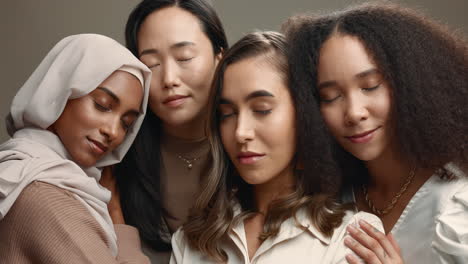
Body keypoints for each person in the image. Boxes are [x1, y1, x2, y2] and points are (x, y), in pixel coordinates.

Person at [170, 31, 384, 263]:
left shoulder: (352, 237)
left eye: (261, 109)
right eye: (227, 114)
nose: (241, 132)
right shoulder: (191, 240)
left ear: (304, 117)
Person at [284, 3, 468, 263]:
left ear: (411, 82)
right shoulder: (326, 202)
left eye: (370, 86)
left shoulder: (455, 207)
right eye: (330, 97)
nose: (354, 112)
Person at [0, 34, 152, 263]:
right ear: (60, 92)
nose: (113, 131)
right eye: (102, 105)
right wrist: (116, 215)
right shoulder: (46, 194)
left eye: (126, 123)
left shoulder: (25, 171)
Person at [108, 0, 228, 262]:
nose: (170, 78)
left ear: (220, 57)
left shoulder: (250, 147)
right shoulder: (116, 155)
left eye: (184, 57)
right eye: (152, 64)